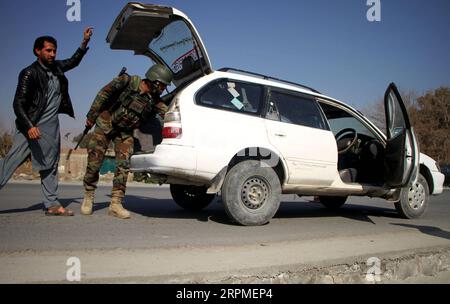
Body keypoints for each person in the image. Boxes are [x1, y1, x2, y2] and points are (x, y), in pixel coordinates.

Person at [0, 27, 93, 216]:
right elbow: (18, 103)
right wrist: (29, 126)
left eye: (54, 50)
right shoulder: (29, 73)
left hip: (51, 127)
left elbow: (74, 61)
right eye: (48, 50)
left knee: (50, 164)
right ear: (38, 51)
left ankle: (51, 204)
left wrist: (84, 43)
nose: (52, 54)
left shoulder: (56, 68)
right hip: (31, 125)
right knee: (11, 161)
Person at [81, 64, 173, 219]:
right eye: (162, 85)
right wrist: (91, 116)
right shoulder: (127, 81)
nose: (163, 88)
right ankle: (89, 195)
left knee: (123, 165)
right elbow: (103, 94)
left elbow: (167, 112)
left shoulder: (153, 100)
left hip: (124, 132)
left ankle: (116, 203)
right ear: (153, 80)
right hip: (105, 124)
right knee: (94, 163)